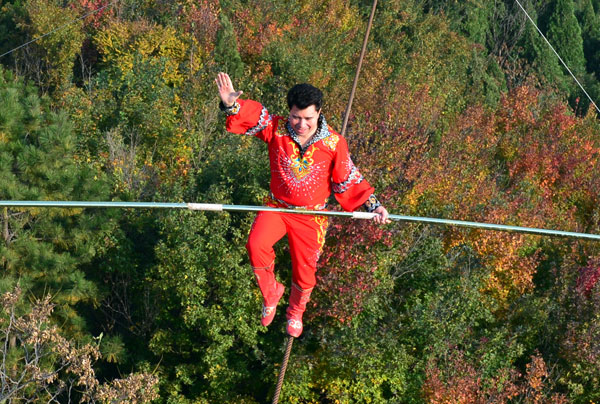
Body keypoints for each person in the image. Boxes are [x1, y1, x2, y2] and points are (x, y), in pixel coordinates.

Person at [215, 72, 390, 337]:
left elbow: (348, 178)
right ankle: (271, 291)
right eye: (296, 116)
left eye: (308, 118)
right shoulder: (276, 130)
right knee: (255, 244)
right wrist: (231, 105)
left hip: (311, 216)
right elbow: (253, 116)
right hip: (277, 207)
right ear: (289, 112)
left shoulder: (333, 143)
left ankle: (296, 312)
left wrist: (374, 207)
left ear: (319, 113)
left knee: (305, 272)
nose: (301, 124)